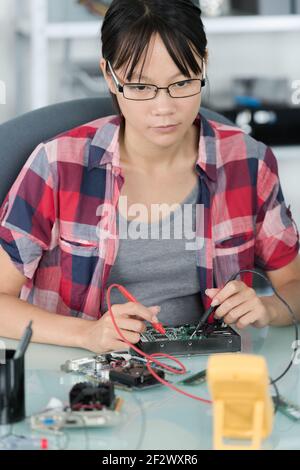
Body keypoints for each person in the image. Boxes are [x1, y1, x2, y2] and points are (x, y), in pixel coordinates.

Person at [0, 0, 299, 354]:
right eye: (140, 87)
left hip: (207, 373)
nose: (164, 108)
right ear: (110, 75)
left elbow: (293, 283)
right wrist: (86, 334)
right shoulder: (57, 164)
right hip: (84, 377)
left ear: (203, 63)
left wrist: (268, 307)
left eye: (182, 83)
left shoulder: (247, 162)